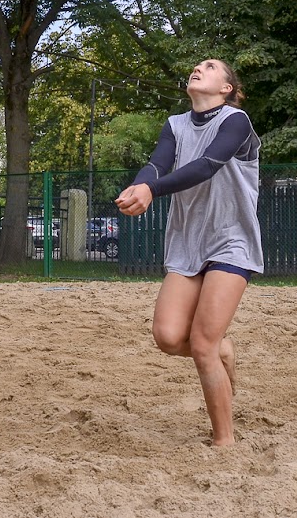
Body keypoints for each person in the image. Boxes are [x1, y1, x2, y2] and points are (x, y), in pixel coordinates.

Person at [115, 59, 263, 447]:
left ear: (226, 87)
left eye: (210, 67)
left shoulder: (236, 120)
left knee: (200, 345)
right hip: (187, 240)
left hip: (231, 239)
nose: (199, 68)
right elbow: (156, 165)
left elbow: (206, 165)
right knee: (166, 336)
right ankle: (224, 348)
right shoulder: (175, 124)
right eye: (197, 66)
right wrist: (139, 186)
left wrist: (153, 190)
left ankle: (224, 442)